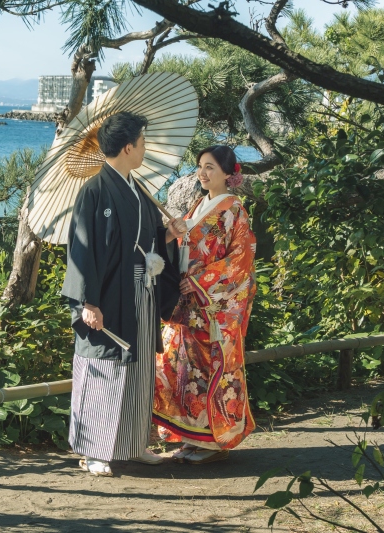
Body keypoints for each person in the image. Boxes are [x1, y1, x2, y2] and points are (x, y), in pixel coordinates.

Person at [61, 111, 185, 476]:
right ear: (128, 147)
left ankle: (133, 444)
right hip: (108, 293)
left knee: (140, 365)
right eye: (143, 142)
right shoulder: (95, 191)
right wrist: (88, 302)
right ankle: (94, 449)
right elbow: (82, 251)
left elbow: (147, 239)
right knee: (104, 365)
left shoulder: (138, 188)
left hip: (141, 291)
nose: (145, 148)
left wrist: (168, 235)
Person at [151, 145, 257, 464]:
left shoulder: (234, 208)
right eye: (200, 166)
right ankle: (190, 436)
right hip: (189, 301)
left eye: (210, 167)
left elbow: (241, 258)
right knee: (184, 367)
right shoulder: (200, 203)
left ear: (228, 173)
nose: (203, 173)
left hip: (212, 304)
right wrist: (174, 232)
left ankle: (213, 442)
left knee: (211, 367)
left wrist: (202, 280)